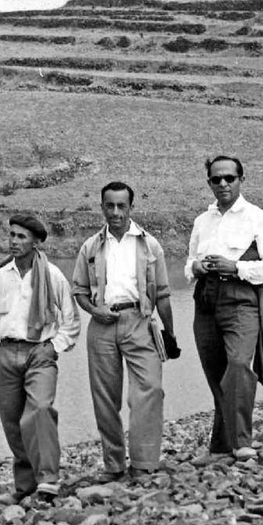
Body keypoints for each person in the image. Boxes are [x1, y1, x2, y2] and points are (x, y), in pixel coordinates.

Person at [72, 181, 179, 481]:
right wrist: (94, 310)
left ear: (131, 207)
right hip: (103, 324)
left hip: (140, 320)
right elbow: (79, 290)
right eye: (110, 205)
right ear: (102, 207)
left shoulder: (149, 245)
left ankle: (144, 463)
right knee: (105, 397)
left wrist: (170, 333)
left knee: (150, 390)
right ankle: (114, 465)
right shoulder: (90, 247)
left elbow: (163, 294)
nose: (116, 212)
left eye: (122, 206)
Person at [185, 155, 263, 461]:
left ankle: (242, 442)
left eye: (229, 178)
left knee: (239, 365)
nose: (223, 184)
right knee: (216, 374)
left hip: (241, 298)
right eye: (217, 179)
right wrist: (197, 267)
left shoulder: (257, 218)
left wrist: (236, 266)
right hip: (206, 300)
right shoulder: (202, 221)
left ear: (241, 179)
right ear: (209, 184)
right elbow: (188, 264)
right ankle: (219, 447)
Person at [0, 215, 80, 502]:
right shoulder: (2, 276)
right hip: (6, 354)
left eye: (21, 237)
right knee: (12, 422)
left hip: (40, 353)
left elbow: (71, 321)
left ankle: (48, 479)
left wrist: (54, 347)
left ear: (35, 242)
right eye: (11, 235)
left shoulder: (53, 276)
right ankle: (25, 487)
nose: (14, 241)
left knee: (41, 410)